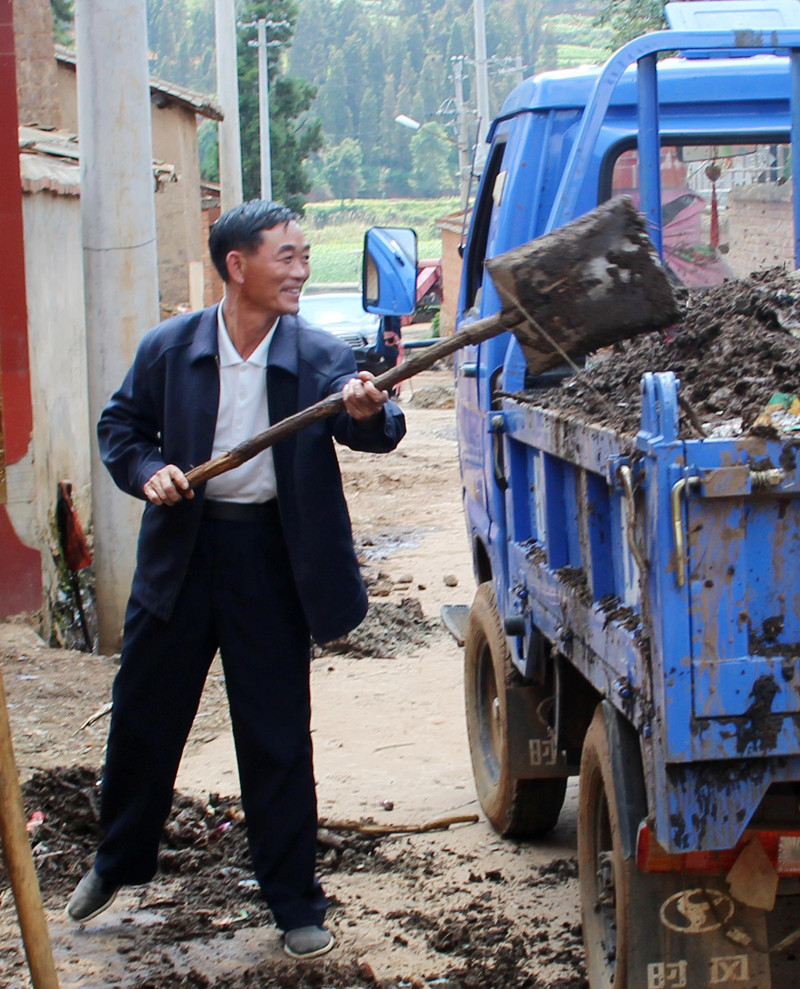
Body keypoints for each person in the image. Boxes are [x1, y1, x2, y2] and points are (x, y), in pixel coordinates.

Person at [65, 200, 406, 960]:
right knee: (144, 718)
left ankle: (294, 902)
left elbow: (375, 430)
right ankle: (117, 861)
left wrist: (368, 408)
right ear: (236, 265)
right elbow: (121, 428)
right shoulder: (172, 347)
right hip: (181, 555)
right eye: (284, 256)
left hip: (270, 562)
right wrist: (149, 471)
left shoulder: (319, 357)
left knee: (275, 736)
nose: (301, 269)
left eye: (304, 254)